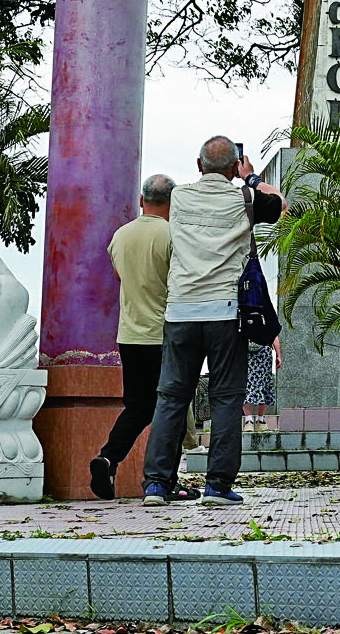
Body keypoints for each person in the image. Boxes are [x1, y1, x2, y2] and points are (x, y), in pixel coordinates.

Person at [143, 139, 281, 507]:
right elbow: (280, 203)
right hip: (225, 313)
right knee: (225, 400)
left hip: (181, 312)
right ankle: (218, 486)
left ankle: (156, 484)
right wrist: (250, 179)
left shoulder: (180, 197)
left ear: (199, 165)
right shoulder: (245, 200)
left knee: (171, 398)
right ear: (235, 166)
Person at [90, 173, 174, 500]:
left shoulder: (120, 236)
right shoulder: (172, 235)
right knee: (169, 408)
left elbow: (118, 277)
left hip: (129, 335)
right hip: (163, 336)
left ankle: (108, 458)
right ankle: (164, 480)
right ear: (171, 203)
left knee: (137, 407)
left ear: (142, 200)